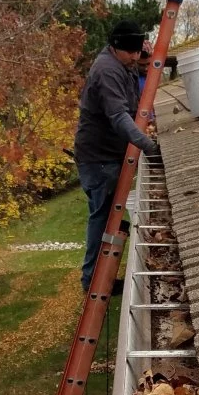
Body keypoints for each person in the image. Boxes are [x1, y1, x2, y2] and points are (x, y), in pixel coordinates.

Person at [74, 20, 159, 293]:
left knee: (109, 216)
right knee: (101, 219)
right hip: (98, 159)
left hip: (107, 154)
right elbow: (118, 116)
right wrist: (147, 145)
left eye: (139, 52)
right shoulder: (106, 72)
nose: (136, 57)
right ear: (117, 47)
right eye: (132, 52)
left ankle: (101, 278)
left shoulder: (122, 63)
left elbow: (134, 99)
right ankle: (92, 282)